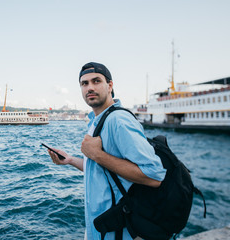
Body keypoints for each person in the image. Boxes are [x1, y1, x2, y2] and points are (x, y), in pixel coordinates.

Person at [47, 62, 166, 240]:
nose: (90, 88)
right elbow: (100, 170)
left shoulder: (118, 120)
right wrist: (70, 160)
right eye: (84, 83)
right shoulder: (96, 121)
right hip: (101, 228)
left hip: (119, 232)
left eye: (96, 81)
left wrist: (97, 154)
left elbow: (155, 176)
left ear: (110, 85)